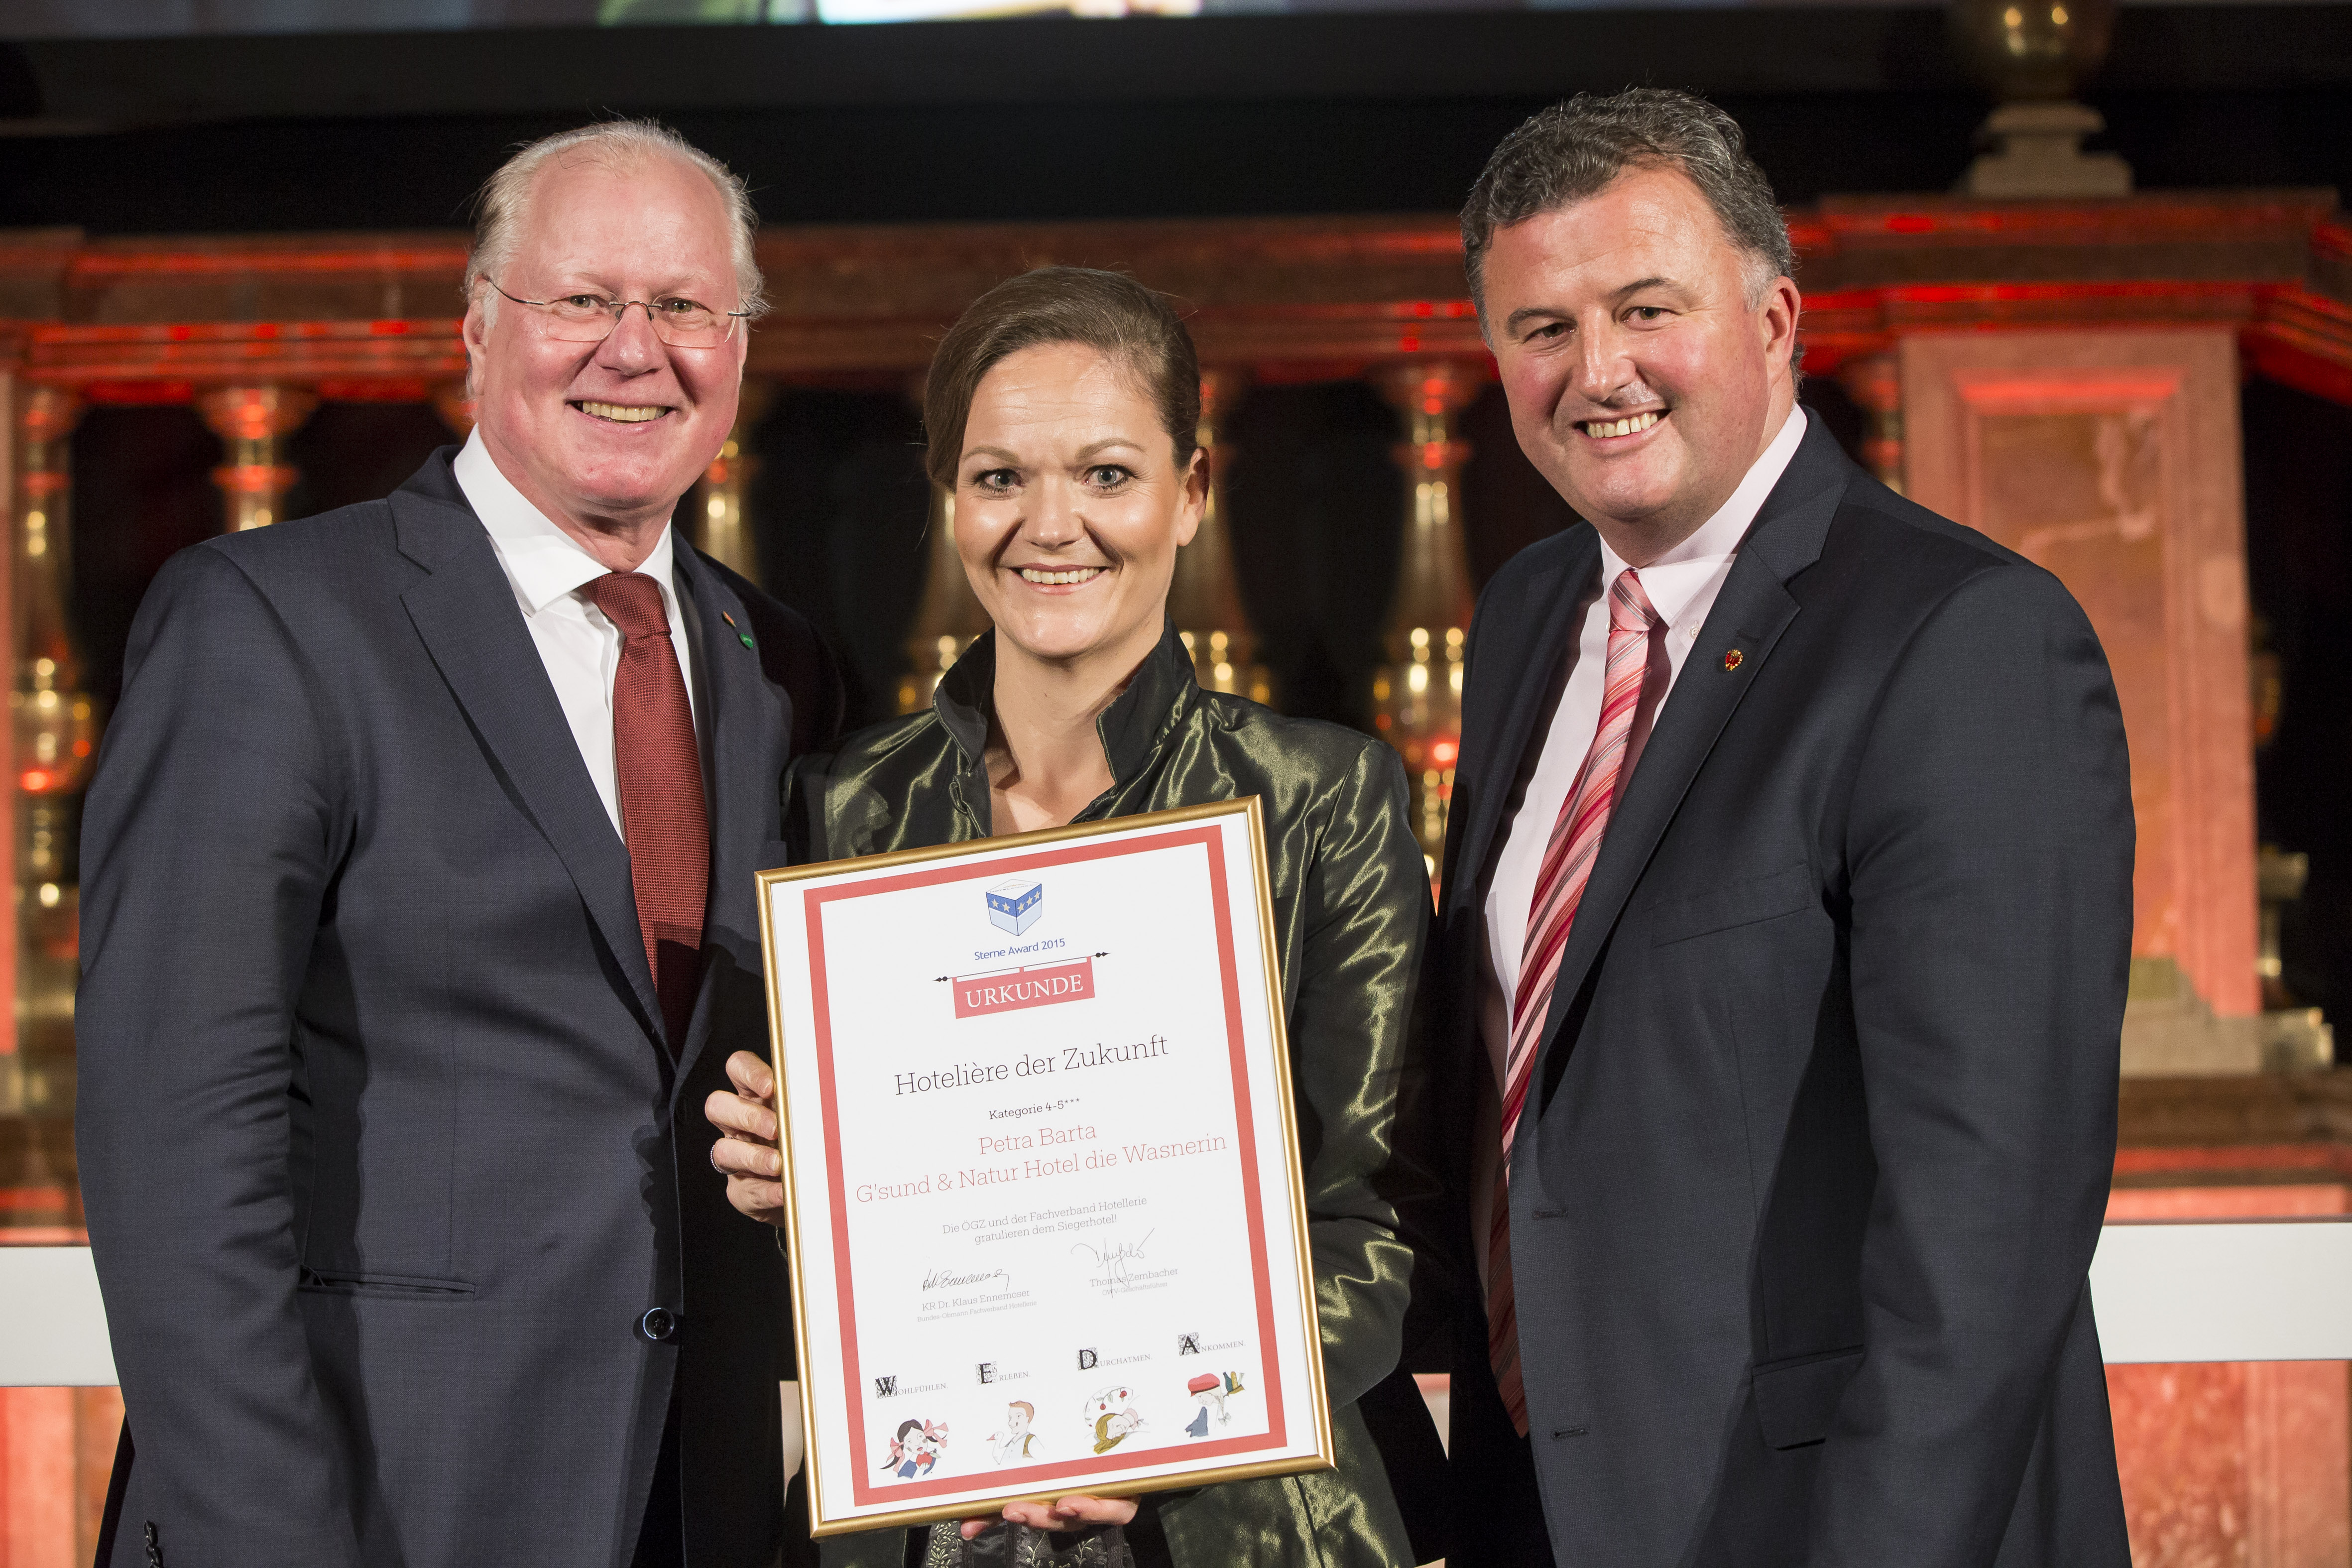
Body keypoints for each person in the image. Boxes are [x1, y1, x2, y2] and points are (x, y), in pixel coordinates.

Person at [76, 119, 839, 1568]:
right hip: (376, 1508)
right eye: (583, 299)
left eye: (686, 306)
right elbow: (174, 1149)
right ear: (480, 326)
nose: (637, 350)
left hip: (700, 1510)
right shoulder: (272, 622)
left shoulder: (778, 662)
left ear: (739, 348)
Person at [1422, 89, 2135, 1566]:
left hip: (1828, 1525)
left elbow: (1988, 1227)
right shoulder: (1525, 619)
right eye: (1542, 328)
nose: (1596, 372)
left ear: (1774, 321)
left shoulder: (1964, 637)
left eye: (1646, 309)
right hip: (1548, 1512)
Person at [706, 265, 1440, 1568]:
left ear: (1190, 491)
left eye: (1107, 474)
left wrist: (1161, 1430)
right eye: (1000, 478)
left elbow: (1368, 1223)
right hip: (926, 1516)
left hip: (1236, 1519)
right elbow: (846, 1272)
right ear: (949, 498)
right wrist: (791, 1194)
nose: (1051, 526)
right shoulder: (843, 806)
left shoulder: (1319, 796)